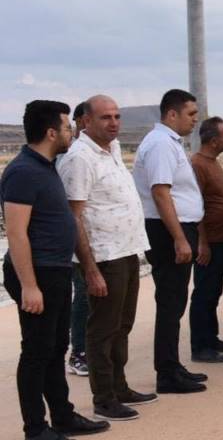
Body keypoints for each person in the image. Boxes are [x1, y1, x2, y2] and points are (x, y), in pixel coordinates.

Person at [2, 100, 110, 438]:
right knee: (36, 352)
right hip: (38, 273)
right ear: (51, 132)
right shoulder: (22, 171)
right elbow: (16, 234)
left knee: (55, 349)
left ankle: (63, 417)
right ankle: (36, 428)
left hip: (57, 270)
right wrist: (29, 285)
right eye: (67, 127)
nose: (71, 132)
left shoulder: (46, 166)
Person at [57, 95, 157, 422]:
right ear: (85, 121)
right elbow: (74, 217)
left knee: (122, 326)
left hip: (126, 250)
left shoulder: (111, 150)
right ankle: (104, 397)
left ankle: (120, 386)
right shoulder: (79, 158)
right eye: (105, 117)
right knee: (102, 329)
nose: (113, 122)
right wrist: (89, 269)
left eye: (117, 116)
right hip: (103, 256)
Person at [132, 89, 207, 394]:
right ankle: (166, 373)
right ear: (172, 114)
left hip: (175, 228)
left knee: (175, 302)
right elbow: (161, 193)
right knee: (170, 301)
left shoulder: (169, 143)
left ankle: (173, 365)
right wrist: (179, 238)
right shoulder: (161, 144)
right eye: (191, 114)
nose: (195, 120)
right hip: (167, 231)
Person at [188, 117, 223, 363]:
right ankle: (200, 346)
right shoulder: (198, 164)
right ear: (212, 141)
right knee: (204, 292)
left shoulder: (212, 162)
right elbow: (195, 204)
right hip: (208, 241)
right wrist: (202, 242)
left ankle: (211, 336)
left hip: (221, 238)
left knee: (214, 290)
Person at [65, 101, 90, 379]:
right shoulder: (72, 153)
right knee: (82, 296)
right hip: (77, 240)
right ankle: (78, 353)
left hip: (95, 241)